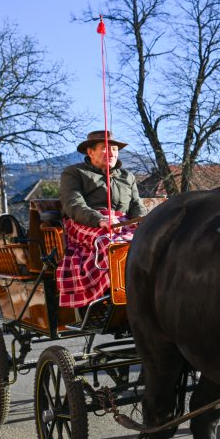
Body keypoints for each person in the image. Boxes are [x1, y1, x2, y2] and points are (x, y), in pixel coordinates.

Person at [57, 130, 146, 309]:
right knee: (109, 243)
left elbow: (137, 205)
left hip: (123, 223)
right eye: (105, 148)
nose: (111, 153)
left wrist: (144, 222)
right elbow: (73, 204)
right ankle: (113, 296)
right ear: (90, 152)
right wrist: (99, 219)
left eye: (114, 149)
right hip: (86, 222)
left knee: (149, 239)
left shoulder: (127, 176)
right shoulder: (74, 173)